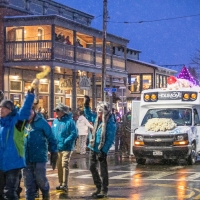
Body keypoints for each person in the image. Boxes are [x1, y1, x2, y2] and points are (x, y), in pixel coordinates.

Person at [0, 89, 35, 200]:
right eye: (0, 108)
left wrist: (29, 97)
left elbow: (24, 111)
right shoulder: (1, 123)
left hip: (13, 163)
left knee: (10, 193)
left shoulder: (16, 122)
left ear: (10, 110)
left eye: (4, 108)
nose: (1, 110)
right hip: (1, 163)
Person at [84, 95, 116, 198]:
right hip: (93, 147)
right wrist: (86, 105)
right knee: (92, 167)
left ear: (105, 112)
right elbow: (88, 115)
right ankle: (98, 187)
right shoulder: (97, 119)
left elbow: (110, 139)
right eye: (98, 112)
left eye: (100, 112)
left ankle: (104, 190)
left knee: (103, 171)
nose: (98, 114)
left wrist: (104, 151)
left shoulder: (110, 123)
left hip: (101, 149)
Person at [23, 108, 58, 200]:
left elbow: (51, 137)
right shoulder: (22, 122)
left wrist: (54, 151)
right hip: (25, 158)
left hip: (39, 157)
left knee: (40, 179)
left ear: (33, 111)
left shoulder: (41, 122)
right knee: (28, 183)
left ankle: (45, 194)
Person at [52, 103, 78, 192]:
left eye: (58, 111)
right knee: (59, 165)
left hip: (67, 147)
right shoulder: (55, 122)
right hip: (57, 147)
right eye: (56, 111)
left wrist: (66, 141)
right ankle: (61, 183)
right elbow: (52, 133)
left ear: (63, 112)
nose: (56, 112)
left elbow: (74, 133)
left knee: (64, 164)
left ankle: (65, 184)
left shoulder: (70, 122)